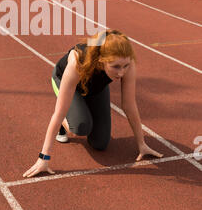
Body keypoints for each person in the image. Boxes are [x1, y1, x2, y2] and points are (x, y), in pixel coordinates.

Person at [23, 29, 163, 178]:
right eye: (115, 67)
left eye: (125, 66)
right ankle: (65, 126)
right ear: (101, 60)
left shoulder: (126, 61)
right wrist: (43, 158)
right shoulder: (78, 61)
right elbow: (58, 113)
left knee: (100, 144)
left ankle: (79, 113)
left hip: (95, 89)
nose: (121, 73)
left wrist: (141, 144)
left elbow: (129, 105)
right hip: (68, 84)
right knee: (80, 126)